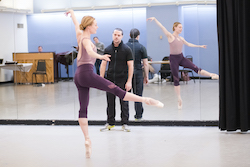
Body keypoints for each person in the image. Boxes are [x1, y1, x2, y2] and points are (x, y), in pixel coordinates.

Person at [65, 10, 164, 158]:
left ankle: (87, 139)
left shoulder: (80, 35)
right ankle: (146, 100)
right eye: (95, 25)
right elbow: (90, 53)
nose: (97, 27)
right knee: (118, 91)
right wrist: (101, 56)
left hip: (78, 76)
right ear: (88, 27)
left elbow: (75, 24)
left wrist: (72, 13)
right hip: (86, 73)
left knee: (83, 108)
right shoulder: (85, 39)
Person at [147, 17, 219, 110]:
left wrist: (200, 46)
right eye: (180, 27)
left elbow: (188, 44)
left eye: (181, 27)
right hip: (173, 59)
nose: (181, 29)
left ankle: (211, 74)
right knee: (176, 79)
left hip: (181, 57)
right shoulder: (170, 36)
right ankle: (179, 99)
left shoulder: (181, 38)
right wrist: (155, 19)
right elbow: (162, 27)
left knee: (195, 68)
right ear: (175, 27)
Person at [100, 28, 133, 132]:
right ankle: (110, 123)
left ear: (122, 36)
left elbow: (130, 66)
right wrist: (101, 79)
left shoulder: (127, 49)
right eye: (115, 34)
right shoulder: (108, 49)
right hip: (110, 80)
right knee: (110, 102)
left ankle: (125, 123)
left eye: (118, 35)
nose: (116, 36)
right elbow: (103, 64)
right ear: (112, 35)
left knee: (124, 103)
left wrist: (129, 81)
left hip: (122, 79)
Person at [126, 28, 149, 121]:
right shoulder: (141, 47)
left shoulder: (124, 46)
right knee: (138, 95)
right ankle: (138, 116)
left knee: (125, 96)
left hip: (126, 74)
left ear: (129, 35)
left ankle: (125, 117)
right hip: (138, 73)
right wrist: (146, 76)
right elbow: (146, 64)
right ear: (138, 36)